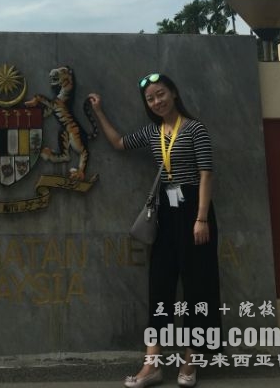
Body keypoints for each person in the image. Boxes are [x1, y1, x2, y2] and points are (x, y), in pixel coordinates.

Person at [88, 72, 221, 388]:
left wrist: (201, 219)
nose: (157, 101)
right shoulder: (152, 132)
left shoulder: (195, 129)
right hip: (165, 214)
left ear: (174, 93)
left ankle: (190, 361)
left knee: (198, 287)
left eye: (161, 94)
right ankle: (152, 365)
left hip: (194, 211)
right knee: (159, 285)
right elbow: (119, 143)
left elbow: (206, 174)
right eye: (150, 98)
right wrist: (99, 111)